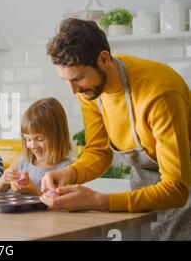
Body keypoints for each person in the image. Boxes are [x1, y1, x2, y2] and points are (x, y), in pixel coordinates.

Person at [41, 18, 190, 240]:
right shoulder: (89, 91)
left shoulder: (159, 94)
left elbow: (177, 189)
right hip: (145, 189)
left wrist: (99, 200)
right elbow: (98, 152)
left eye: (78, 78)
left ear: (104, 59)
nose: (73, 91)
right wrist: (69, 174)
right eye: (66, 80)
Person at [0, 97, 72, 196]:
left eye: (39, 139)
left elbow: (60, 204)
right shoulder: (22, 161)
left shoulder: (66, 169)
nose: (33, 145)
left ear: (57, 135)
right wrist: (3, 180)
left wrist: (34, 192)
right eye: (28, 139)